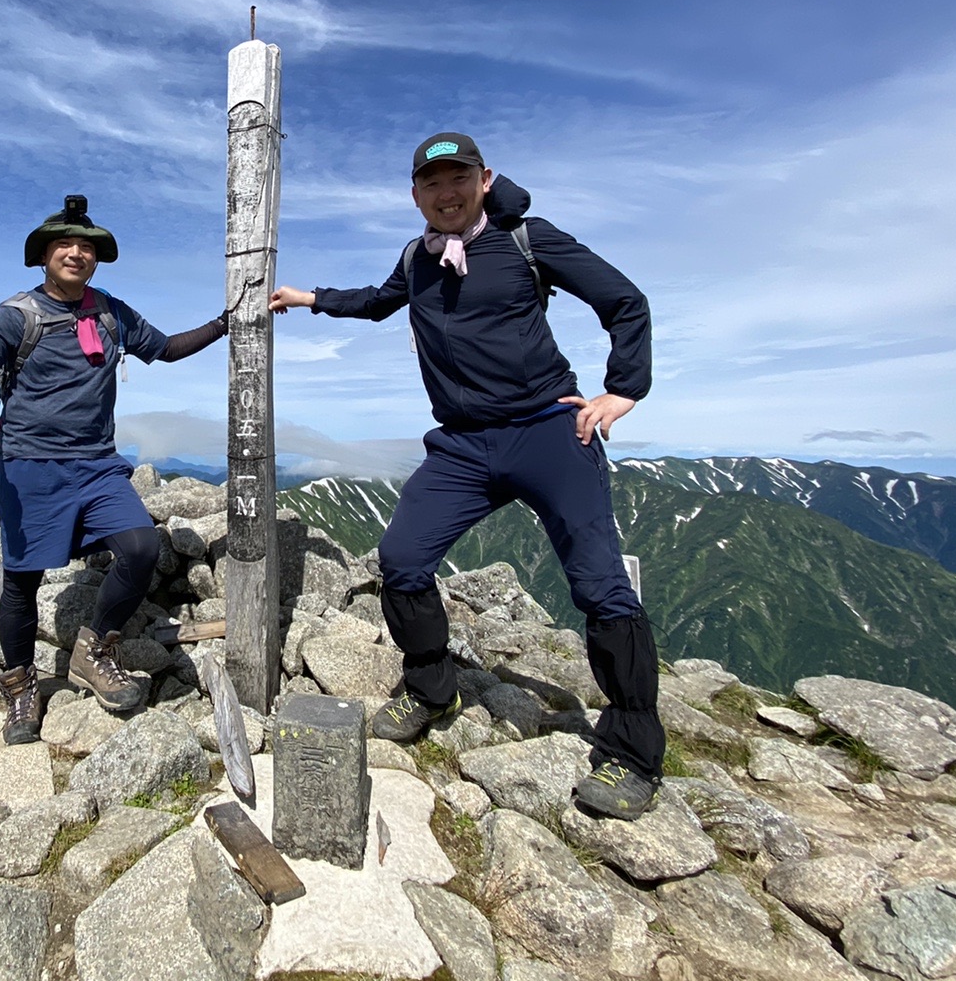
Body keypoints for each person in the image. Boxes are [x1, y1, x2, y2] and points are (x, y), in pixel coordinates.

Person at [269, 133, 666, 821]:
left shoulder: (526, 239)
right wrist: (311, 299)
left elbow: (623, 301)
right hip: (462, 445)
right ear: (415, 194)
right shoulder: (415, 258)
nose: (446, 193)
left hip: (549, 429)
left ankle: (633, 750)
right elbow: (375, 301)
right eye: (432, 183)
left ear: (484, 180)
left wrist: (622, 390)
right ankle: (431, 687)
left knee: (600, 585)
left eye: (459, 180)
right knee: (401, 560)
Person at [0, 196, 226, 745]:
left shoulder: (110, 312)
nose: (76, 253)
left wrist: (224, 323)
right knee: (22, 580)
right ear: (44, 256)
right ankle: (19, 686)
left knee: (139, 547)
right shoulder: (18, 315)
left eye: (86, 247)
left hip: (96, 465)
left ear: (96, 260)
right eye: (65, 245)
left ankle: (94, 651)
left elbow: (164, 348)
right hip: (29, 466)